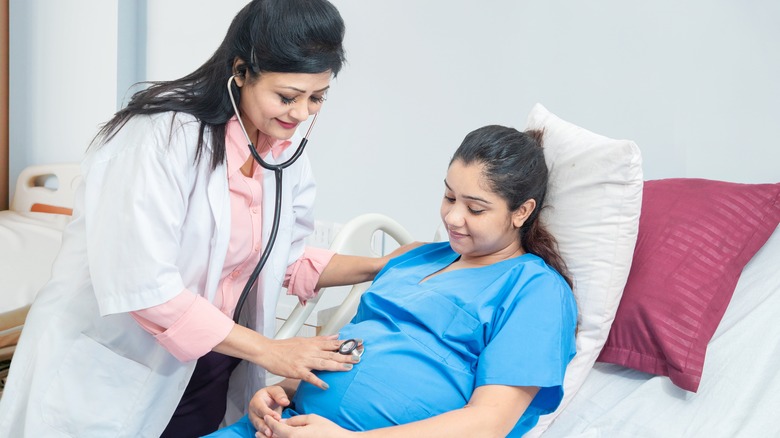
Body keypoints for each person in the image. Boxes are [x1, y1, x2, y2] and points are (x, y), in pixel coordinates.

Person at [0, 1, 398, 436]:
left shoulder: (282, 154)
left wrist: (388, 265)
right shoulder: (157, 138)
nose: (301, 114)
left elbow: (283, 257)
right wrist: (270, 351)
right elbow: (145, 286)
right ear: (242, 71)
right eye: (287, 97)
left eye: (317, 98)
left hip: (209, 365)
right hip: (116, 370)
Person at [209, 125, 579, 438]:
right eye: (449, 196)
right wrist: (278, 393)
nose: (452, 216)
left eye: (475, 208)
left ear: (522, 211)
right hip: (288, 425)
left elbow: (488, 423)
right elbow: (352, 352)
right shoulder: (415, 258)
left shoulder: (536, 290)